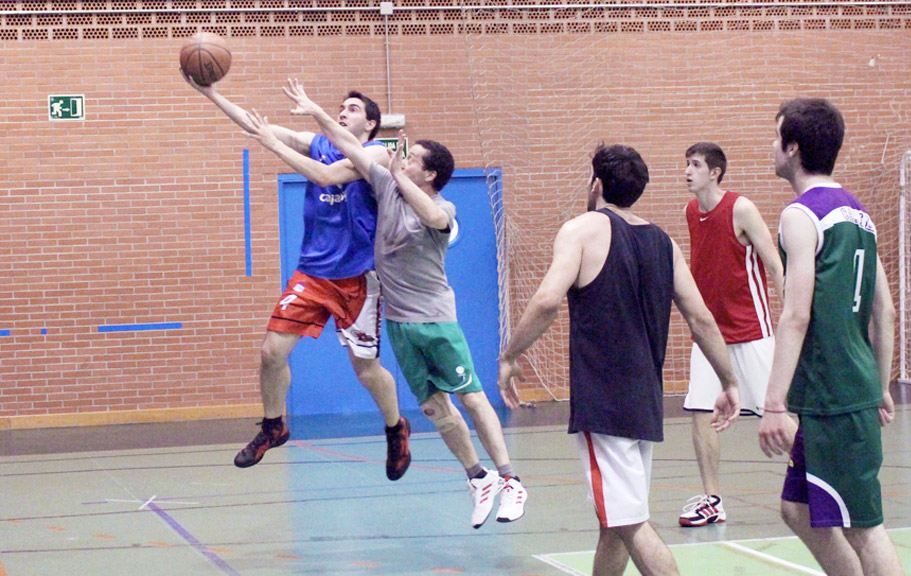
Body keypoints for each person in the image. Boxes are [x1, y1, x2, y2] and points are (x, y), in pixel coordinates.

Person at [244, 78, 528, 529]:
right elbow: (344, 153)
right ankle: (478, 476)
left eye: (411, 158)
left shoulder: (444, 209)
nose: (402, 157)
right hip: (398, 323)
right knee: (434, 408)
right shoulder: (382, 181)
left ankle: (511, 479)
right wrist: (316, 114)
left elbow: (430, 214)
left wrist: (394, 174)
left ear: (428, 174)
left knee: (471, 399)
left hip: (435, 321)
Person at [497, 143, 741, 576]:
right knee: (614, 524)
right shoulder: (664, 243)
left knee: (629, 523)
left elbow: (547, 300)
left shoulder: (581, 230)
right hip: (644, 400)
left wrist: (510, 354)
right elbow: (701, 318)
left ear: (596, 184)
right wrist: (730, 381)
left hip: (604, 403)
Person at [182, 73, 410, 478]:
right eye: (341, 108)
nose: (344, 112)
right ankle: (274, 426)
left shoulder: (377, 153)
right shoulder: (316, 143)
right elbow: (259, 127)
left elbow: (326, 176)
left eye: (352, 109)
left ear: (371, 123)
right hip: (313, 274)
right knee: (271, 353)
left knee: (366, 369)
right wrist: (212, 93)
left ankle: (395, 428)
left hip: (358, 277)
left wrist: (310, 117)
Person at [758, 98, 905, 576]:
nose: (771, 146)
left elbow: (796, 314)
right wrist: (880, 385)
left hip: (834, 395)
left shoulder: (801, 215)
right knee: (797, 510)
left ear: (793, 147)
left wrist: (774, 403)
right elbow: (884, 311)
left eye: (776, 136)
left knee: (864, 528)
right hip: (848, 389)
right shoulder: (858, 214)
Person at [678, 142, 787, 527]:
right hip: (710, 334)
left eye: (695, 165)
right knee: (700, 410)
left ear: (715, 172)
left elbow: (774, 264)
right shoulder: (692, 211)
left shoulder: (741, 208)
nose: (687, 171)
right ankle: (713, 500)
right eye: (687, 164)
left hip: (751, 329)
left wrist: (792, 315)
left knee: (778, 413)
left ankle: (819, 479)